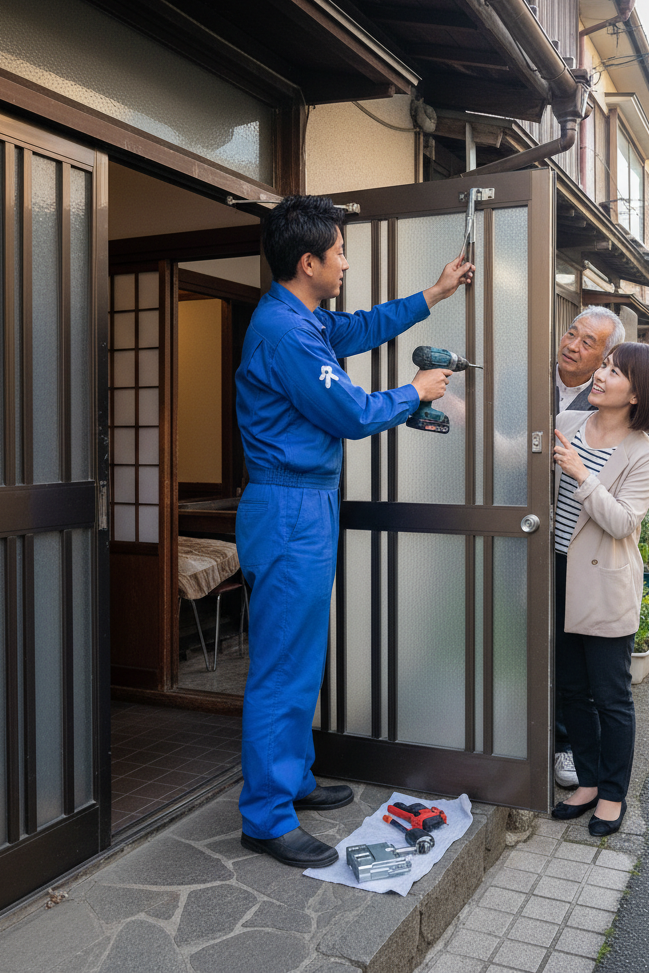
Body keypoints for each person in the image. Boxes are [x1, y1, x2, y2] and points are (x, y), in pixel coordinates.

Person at [234, 194, 474, 868]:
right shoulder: (285, 332)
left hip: (303, 505)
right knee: (283, 666)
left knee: (301, 656)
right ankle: (265, 816)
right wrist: (416, 392)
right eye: (339, 252)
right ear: (308, 262)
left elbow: (364, 327)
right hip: (289, 508)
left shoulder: (303, 319)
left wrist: (435, 293)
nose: (346, 261)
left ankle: (292, 778)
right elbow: (351, 413)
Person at [550, 342, 649, 836]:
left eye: (614, 372)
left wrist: (581, 474)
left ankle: (613, 795)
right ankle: (588, 781)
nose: (600, 375)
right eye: (604, 366)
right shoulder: (568, 421)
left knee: (611, 695)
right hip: (555, 570)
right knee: (571, 689)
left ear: (637, 394)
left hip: (601, 581)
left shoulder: (644, 453)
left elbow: (622, 522)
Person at [552, 306, 624, 790]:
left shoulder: (605, 408)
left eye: (588, 343)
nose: (573, 346)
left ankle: (566, 744)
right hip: (520, 529)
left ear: (606, 360)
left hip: (580, 548)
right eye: (571, 333)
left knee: (576, 660)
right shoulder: (525, 377)